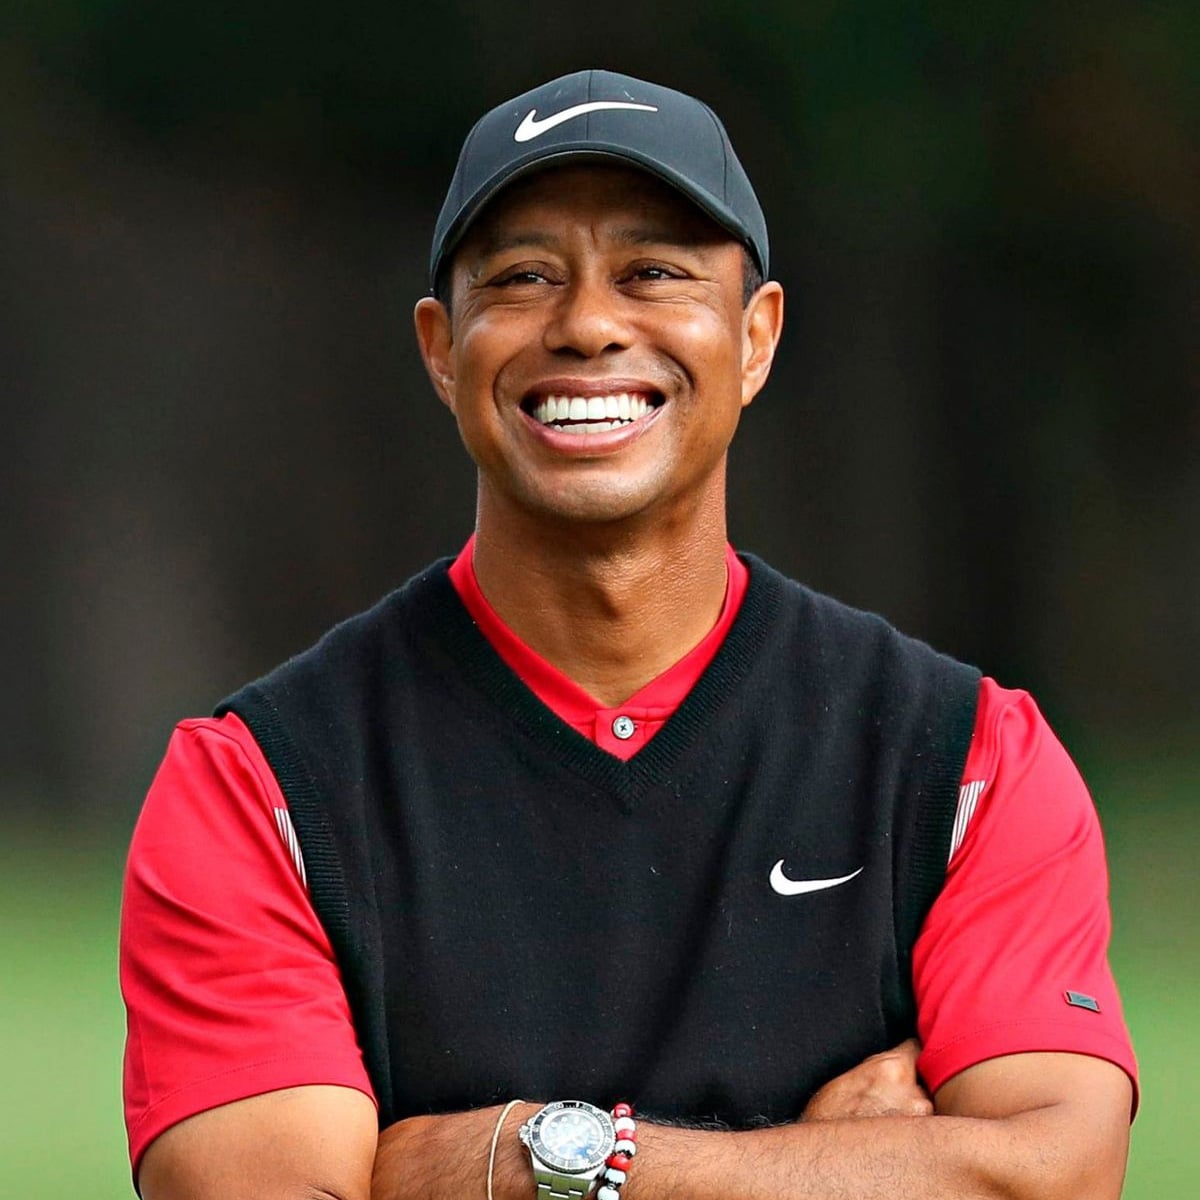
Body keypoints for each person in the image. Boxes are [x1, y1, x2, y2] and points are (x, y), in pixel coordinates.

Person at [120, 69, 1137, 1200]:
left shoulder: (965, 759)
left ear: (755, 339)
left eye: (653, 272)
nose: (590, 324)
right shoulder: (258, 783)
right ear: (441, 348)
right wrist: (830, 1165)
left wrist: (506, 1161)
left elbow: (1051, 1177)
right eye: (522, 276)